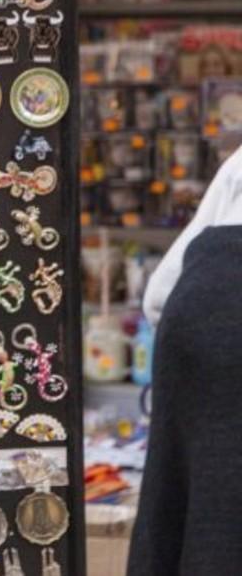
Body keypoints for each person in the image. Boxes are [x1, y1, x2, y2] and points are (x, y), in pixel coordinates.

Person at [130, 145, 242, 573]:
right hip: (216, 307)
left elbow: (158, 295)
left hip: (202, 299)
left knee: (188, 509)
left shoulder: (236, 164)